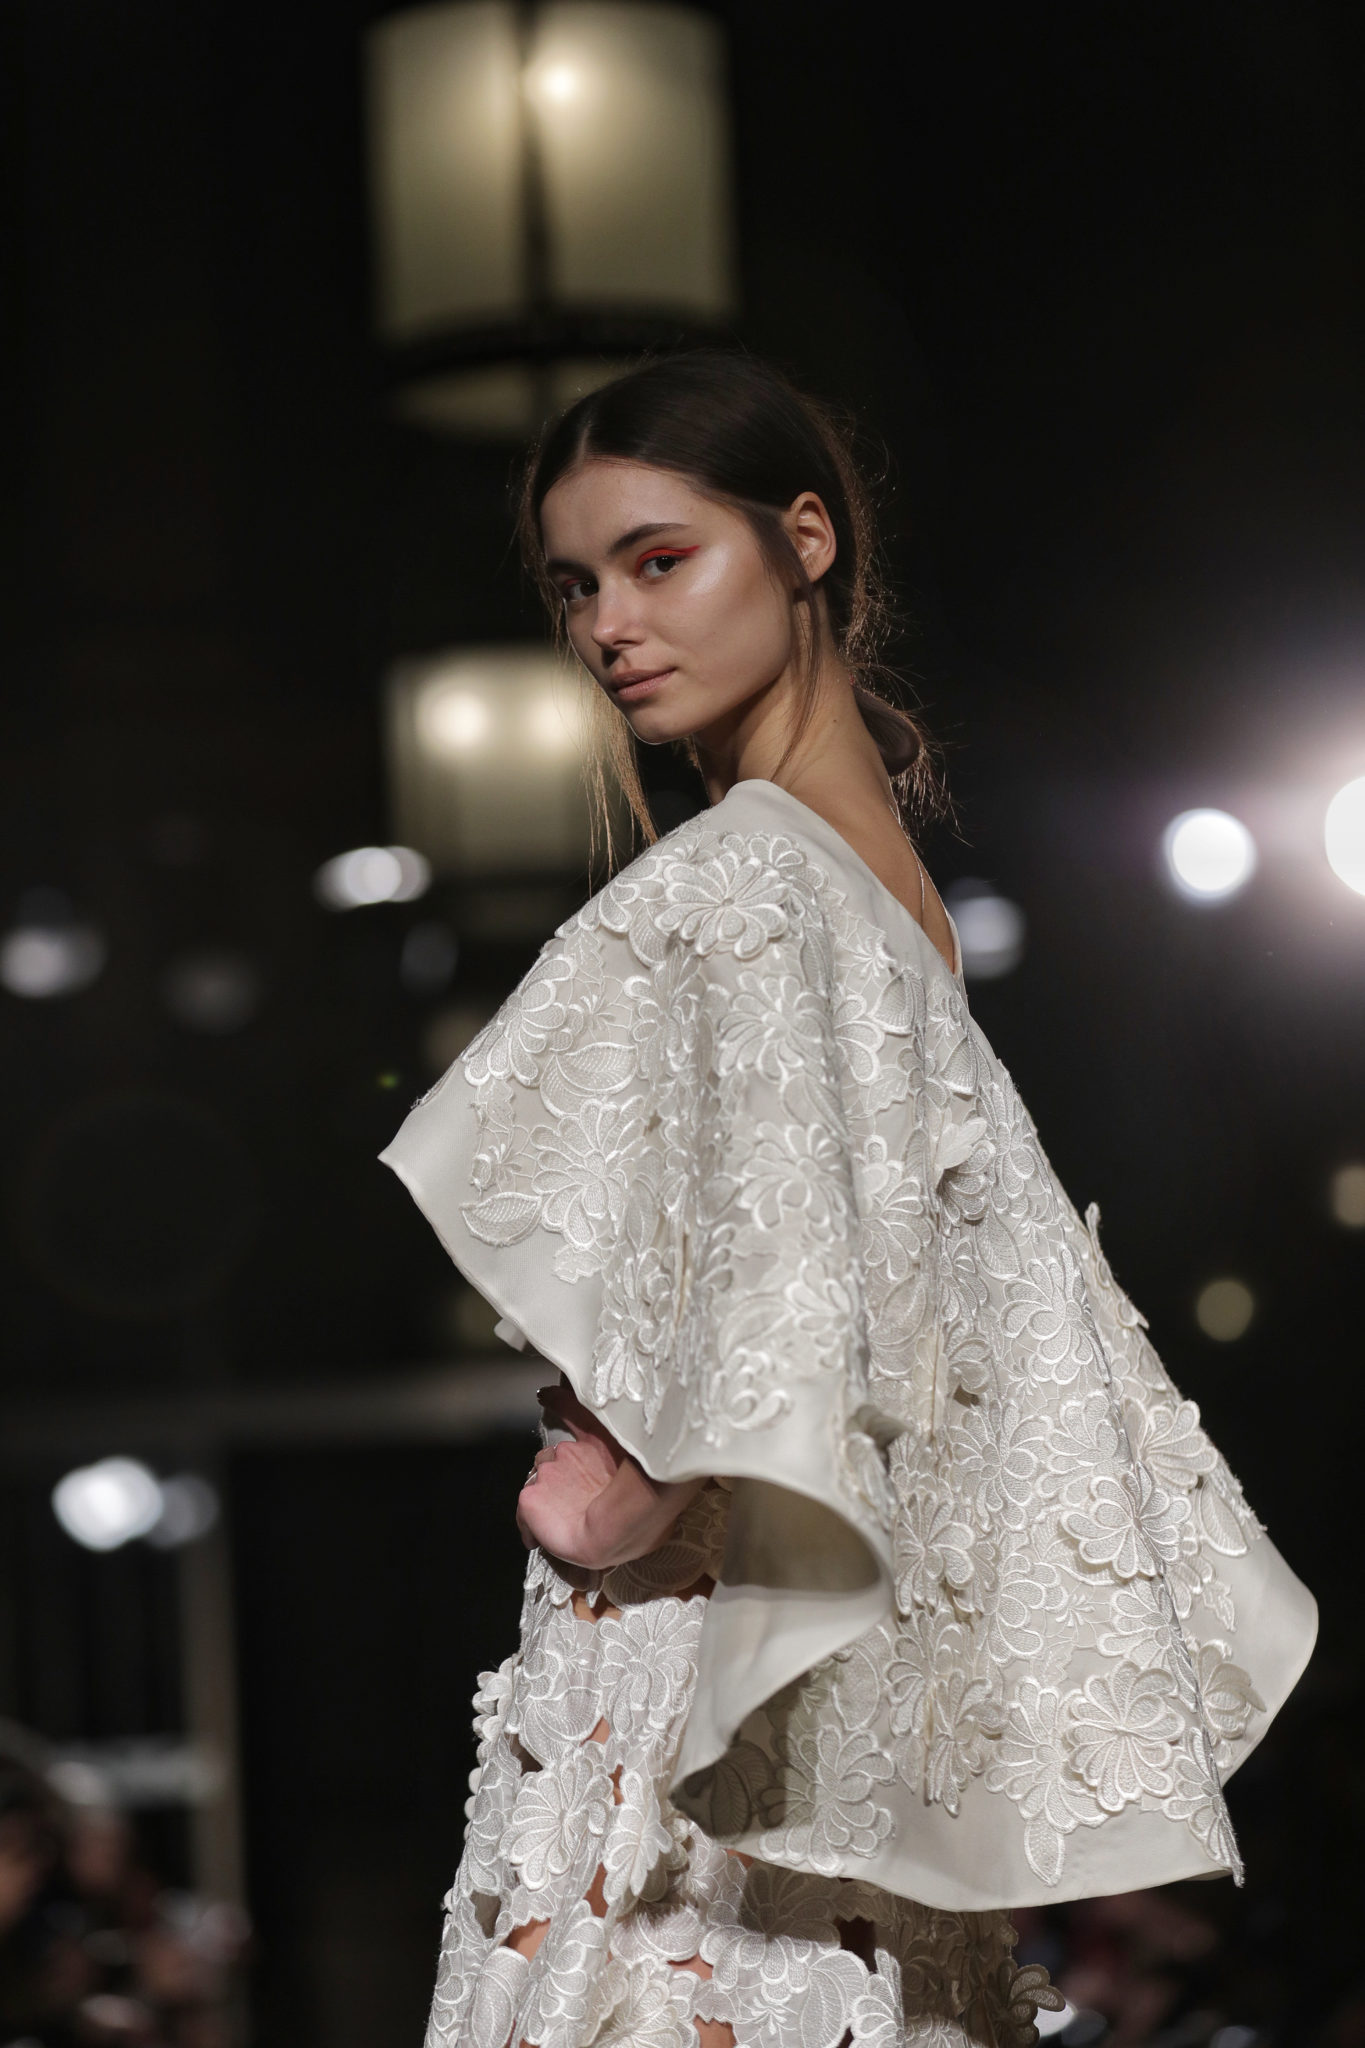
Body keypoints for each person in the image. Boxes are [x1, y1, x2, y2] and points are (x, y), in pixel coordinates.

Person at [381, 352, 1316, 2048]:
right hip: (827, 1708)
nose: (609, 625)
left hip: (693, 1693)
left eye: (661, 559)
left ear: (803, 539)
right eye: (576, 586)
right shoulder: (894, 906)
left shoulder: (745, 878)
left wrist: (620, 1487)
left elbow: (768, 1332)